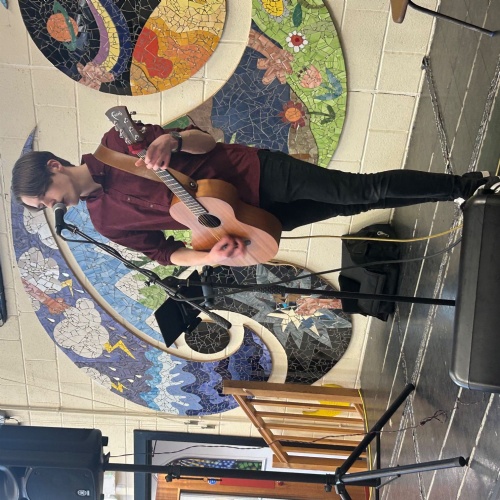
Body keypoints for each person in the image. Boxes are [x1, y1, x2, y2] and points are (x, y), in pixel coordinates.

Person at [11, 123, 497, 267]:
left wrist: (172, 140)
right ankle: (461, 193)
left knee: (359, 187)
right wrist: (211, 257)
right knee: (360, 204)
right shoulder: (105, 223)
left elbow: (206, 142)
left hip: (257, 174)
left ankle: (467, 185)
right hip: (246, 225)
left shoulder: (118, 143)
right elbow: (165, 253)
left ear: (54, 167)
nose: (54, 206)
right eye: (45, 208)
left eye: (46, 197)